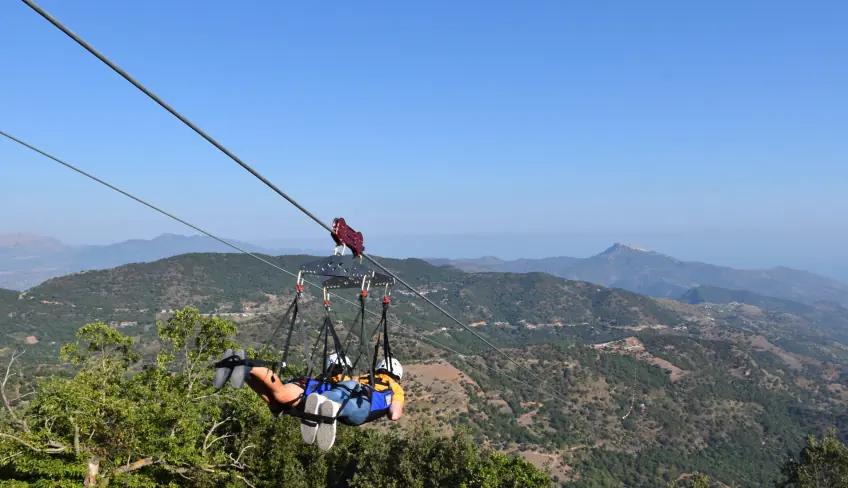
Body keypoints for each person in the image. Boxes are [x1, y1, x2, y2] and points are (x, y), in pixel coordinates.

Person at [214, 348, 352, 443]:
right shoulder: (335, 380)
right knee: (280, 395)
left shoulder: (330, 379)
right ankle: (247, 367)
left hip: (297, 402)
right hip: (303, 390)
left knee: (271, 398)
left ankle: (240, 370)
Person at [305, 357, 405, 451]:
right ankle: (335, 408)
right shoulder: (395, 387)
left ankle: (322, 399)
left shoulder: (363, 377)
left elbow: (342, 382)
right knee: (353, 405)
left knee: (339, 392)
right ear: (397, 375)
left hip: (350, 386)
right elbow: (394, 414)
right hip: (364, 407)